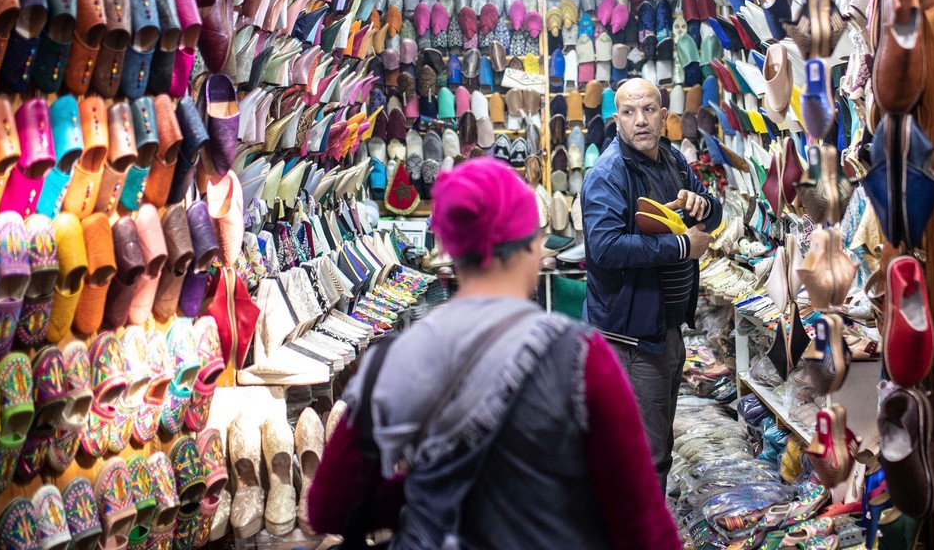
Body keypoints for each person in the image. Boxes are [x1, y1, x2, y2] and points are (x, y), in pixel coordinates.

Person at [306, 157, 681, 550]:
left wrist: (426, 491)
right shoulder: (581, 358)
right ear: (532, 246)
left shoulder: (391, 362)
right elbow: (643, 526)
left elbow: (329, 508)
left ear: (450, 252)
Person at [581, 78, 722, 490]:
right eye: (629, 112)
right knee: (645, 456)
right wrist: (682, 246)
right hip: (629, 338)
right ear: (617, 120)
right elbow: (605, 247)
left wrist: (703, 205)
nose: (640, 120)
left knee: (657, 447)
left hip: (662, 329)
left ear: (663, 115)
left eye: (648, 110)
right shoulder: (608, 174)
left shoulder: (672, 160)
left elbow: (712, 214)